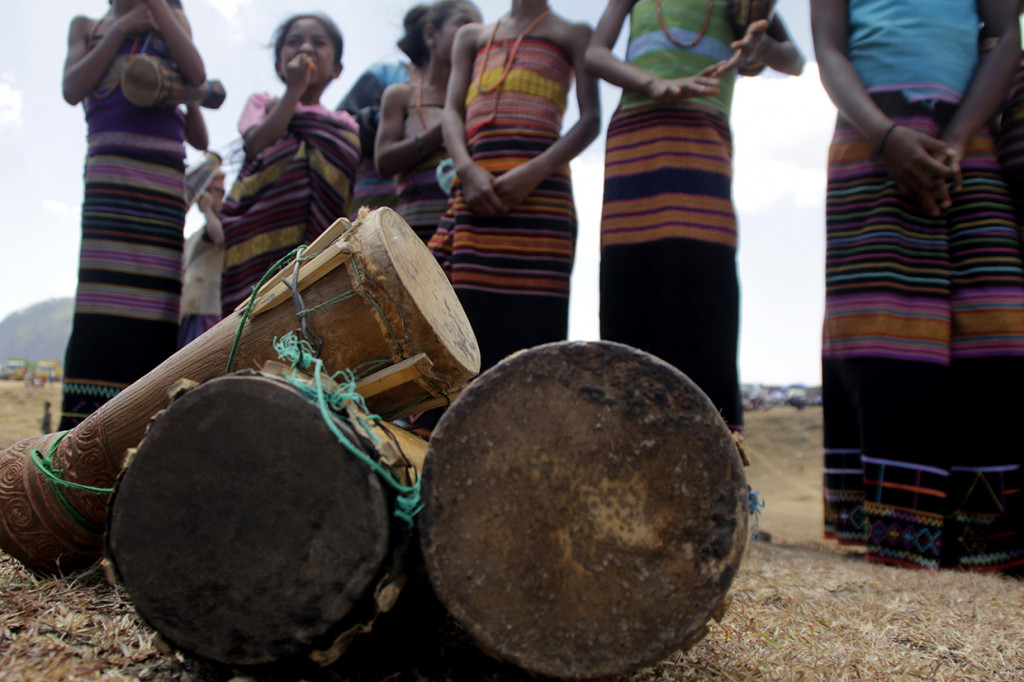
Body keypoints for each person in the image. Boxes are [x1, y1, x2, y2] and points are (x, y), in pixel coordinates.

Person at [812, 0, 1024, 572]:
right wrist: (887, 139)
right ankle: (903, 532)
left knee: (997, 323)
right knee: (886, 330)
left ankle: (988, 535)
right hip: (870, 139)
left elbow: (1006, 35)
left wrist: (955, 141)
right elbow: (830, 49)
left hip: (969, 132)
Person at [584, 0, 803, 433]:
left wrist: (763, 51)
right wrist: (657, 85)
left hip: (703, 143)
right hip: (636, 142)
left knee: (706, 292)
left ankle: (713, 450)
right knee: (629, 289)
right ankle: (621, 443)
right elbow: (595, 54)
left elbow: (794, 59)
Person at [59, 0, 207, 429]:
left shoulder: (172, 19)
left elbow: (197, 77)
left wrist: (158, 11)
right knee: (100, 293)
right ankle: (85, 430)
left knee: (157, 296)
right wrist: (124, 26)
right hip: (109, 175)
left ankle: (143, 421)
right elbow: (72, 89)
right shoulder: (87, 26)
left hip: (160, 183)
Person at [435, 0, 601, 372]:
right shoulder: (472, 36)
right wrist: (466, 169)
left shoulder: (573, 32)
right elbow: (451, 112)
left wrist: (532, 173)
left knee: (534, 329)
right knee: (465, 320)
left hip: (542, 198)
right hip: (476, 191)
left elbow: (590, 120)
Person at [219, 13, 361, 317]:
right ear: (278, 64)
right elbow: (256, 144)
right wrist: (293, 93)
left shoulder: (343, 123)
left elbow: (345, 165)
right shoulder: (261, 102)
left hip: (315, 242)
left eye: (318, 43)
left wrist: (287, 111)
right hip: (257, 235)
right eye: (294, 42)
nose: (306, 49)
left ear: (337, 68)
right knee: (253, 315)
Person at [375, 1, 483, 244]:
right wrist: (440, 132)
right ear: (431, 35)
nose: (475, 34)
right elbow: (384, 161)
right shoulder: (401, 95)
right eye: (465, 22)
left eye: (481, 28)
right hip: (412, 234)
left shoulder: (478, 99)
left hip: (468, 230)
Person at [338, 5, 432, 217]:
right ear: (431, 34)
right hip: (376, 198)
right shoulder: (387, 74)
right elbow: (346, 126)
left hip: (428, 205)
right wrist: (391, 120)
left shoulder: (458, 87)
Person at [178, 170, 226, 347]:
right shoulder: (194, 236)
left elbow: (220, 237)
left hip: (209, 310)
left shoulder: (223, 222)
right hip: (189, 309)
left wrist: (207, 210)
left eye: (218, 191)